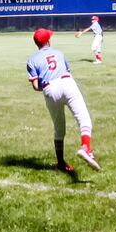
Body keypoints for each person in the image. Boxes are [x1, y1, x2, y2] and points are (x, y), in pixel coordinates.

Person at [27, 28, 100, 171]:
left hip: (49, 89)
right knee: (83, 119)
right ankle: (86, 147)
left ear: (36, 43)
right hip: (67, 83)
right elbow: (67, 71)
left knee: (59, 129)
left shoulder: (32, 60)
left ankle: (60, 163)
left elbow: (36, 86)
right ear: (48, 40)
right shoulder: (59, 53)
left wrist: (48, 85)